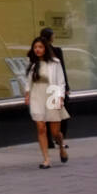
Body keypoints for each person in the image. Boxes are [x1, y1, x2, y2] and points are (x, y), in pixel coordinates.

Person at [23, 36, 69, 169]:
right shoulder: (31, 63)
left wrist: (60, 97)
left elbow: (61, 81)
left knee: (55, 133)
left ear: (45, 48)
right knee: (41, 128)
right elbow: (28, 81)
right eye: (35, 47)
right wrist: (27, 94)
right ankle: (46, 160)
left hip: (52, 95)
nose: (37, 50)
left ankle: (61, 146)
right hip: (37, 96)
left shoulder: (55, 62)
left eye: (40, 47)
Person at [39, 27, 70, 147]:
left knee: (48, 115)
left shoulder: (41, 51)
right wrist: (66, 88)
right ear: (51, 37)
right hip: (55, 89)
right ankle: (59, 139)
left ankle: (50, 141)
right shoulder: (56, 51)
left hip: (47, 88)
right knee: (61, 115)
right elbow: (62, 71)